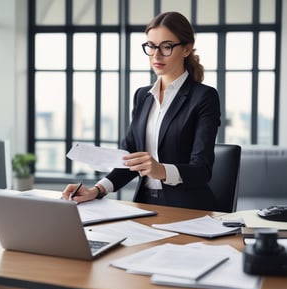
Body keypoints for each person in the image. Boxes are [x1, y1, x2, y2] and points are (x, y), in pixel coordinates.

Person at [62, 11, 221, 211]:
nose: (156, 55)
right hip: (145, 205)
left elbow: (202, 170)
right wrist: (97, 190)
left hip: (187, 209)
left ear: (187, 49)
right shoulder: (143, 96)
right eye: (151, 46)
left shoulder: (204, 97)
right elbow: (128, 159)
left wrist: (161, 170)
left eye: (166, 47)